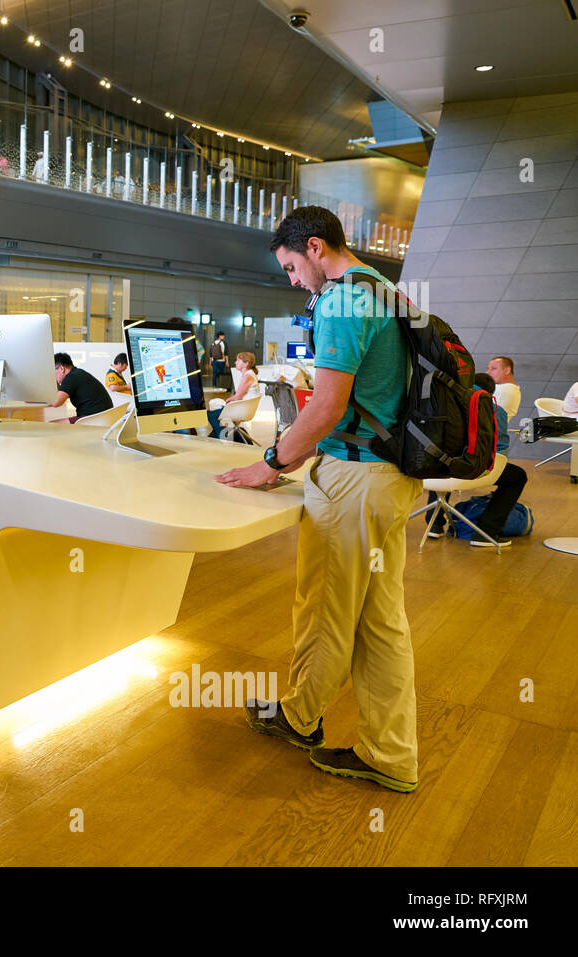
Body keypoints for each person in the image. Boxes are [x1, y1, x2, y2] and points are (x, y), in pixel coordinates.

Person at [221, 205, 422, 794]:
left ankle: (300, 717)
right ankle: (391, 754)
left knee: (325, 607)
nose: (291, 279)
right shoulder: (382, 289)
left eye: (289, 267)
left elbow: (329, 407)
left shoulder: (340, 299)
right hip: (390, 475)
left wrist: (270, 463)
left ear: (315, 247)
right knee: (380, 623)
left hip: (354, 478)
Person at [426, 374, 525, 547]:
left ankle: (434, 524)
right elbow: (499, 449)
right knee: (517, 476)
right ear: (490, 392)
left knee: (444, 463)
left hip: (432, 471)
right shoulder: (497, 410)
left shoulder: (444, 405)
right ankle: (486, 532)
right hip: (473, 470)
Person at [206, 352, 262, 438]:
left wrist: (227, 401)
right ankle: (218, 436)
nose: (235, 362)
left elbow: (237, 397)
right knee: (216, 412)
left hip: (242, 410)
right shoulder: (249, 375)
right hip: (243, 407)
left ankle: (222, 436)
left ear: (246, 363)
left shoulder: (248, 377)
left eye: (238, 361)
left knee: (211, 414)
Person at [52, 353, 113, 420]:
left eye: (53, 371)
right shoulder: (77, 373)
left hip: (94, 418)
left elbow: (55, 402)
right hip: (105, 416)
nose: (53, 375)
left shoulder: (71, 377)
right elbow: (60, 394)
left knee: (53, 425)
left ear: (61, 368)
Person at [486, 356, 521, 422]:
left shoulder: (503, 390)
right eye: (488, 368)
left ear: (507, 370)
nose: (488, 372)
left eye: (493, 368)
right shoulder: (514, 390)